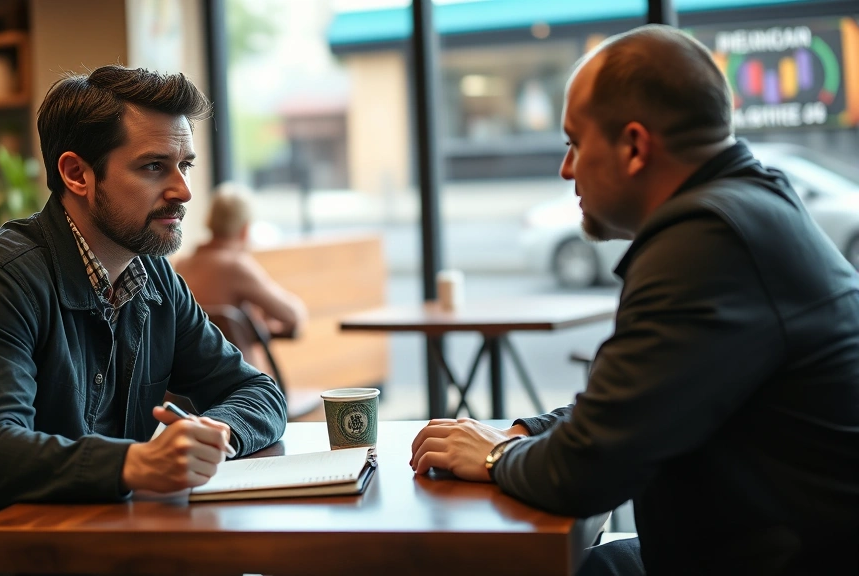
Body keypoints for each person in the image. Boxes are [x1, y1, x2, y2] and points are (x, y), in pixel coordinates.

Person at [410, 25, 859, 575]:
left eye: (574, 142)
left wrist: (495, 455)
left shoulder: (708, 241)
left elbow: (584, 473)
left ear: (634, 146)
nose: (565, 169)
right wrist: (525, 432)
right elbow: (646, 396)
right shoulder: (748, 207)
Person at [0, 66, 287, 574]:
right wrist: (136, 463)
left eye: (185, 165)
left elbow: (260, 393)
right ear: (77, 174)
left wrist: (215, 434)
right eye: (155, 166)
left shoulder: (153, 277)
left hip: (85, 550)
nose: (183, 191)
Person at [175, 183, 307, 341]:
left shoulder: (182, 265)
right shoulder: (236, 266)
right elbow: (293, 315)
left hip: (190, 365)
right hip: (237, 364)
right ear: (245, 229)